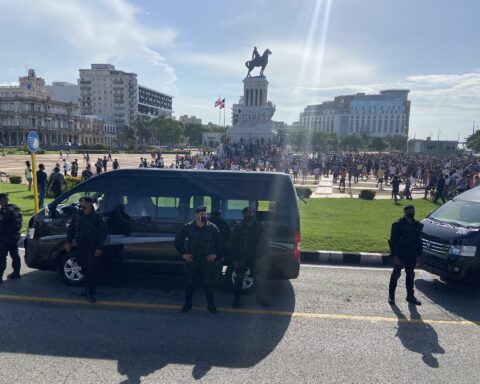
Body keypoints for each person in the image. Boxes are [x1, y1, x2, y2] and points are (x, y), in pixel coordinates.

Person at [174, 206, 223, 314]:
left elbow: (220, 243)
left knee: (208, 283)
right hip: (192, 259)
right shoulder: (188, 227)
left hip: (207, 260)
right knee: (189, 282)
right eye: (201, 214)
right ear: (196, 215)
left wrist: (215, 254)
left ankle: (211, 305)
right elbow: (178, 241)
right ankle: (187, 304)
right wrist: (183, 254)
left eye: (205, 214)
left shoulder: (212, 228)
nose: (203, 215)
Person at [65, 197, 107, 303]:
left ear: (90, 204)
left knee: (90, 269)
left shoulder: (97, 216)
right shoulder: (78, 214)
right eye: (81, 204)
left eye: (84, 204)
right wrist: (68, 242)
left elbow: (103, 234)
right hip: (81, 245)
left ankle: (90, 292)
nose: (82, 206)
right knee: (82, 267)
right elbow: (72, 229)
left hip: (92, 246)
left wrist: (100, 248)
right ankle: (86, 289)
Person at [230, 206, 270, 308]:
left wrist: (264, 257)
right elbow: (233, 245)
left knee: (259, 279)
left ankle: (259, 299)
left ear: (253, 215)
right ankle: (236, 300)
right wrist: (234, 259)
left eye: (251, 214)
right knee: (239, 279)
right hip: (242, 257)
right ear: (243, 215)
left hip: (257, 257)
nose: (249, 215)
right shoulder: (238, 227)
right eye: (247, 214)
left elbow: (265, 242)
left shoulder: (259, 226)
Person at [388, 205, 423, 306]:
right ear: (405, 212)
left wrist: (419, 255)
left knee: (410, 275)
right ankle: (391, 296)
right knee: (396, 274)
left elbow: (419, 241)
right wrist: (395, 256)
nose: (411, 213)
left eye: (413, 211)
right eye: (409, 211)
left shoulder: (417, 225)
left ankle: (410, 296)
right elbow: (393, 242)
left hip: (411, 254)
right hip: (401, 253)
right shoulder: (397, 225)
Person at [0, 193, 23, 282]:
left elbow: (1, 225)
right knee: (15, 255)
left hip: (4, 238)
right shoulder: (16, 209)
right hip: (15, 237)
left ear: (2, 200)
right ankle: (16, 273)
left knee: (1, 257)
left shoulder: (3, 211)